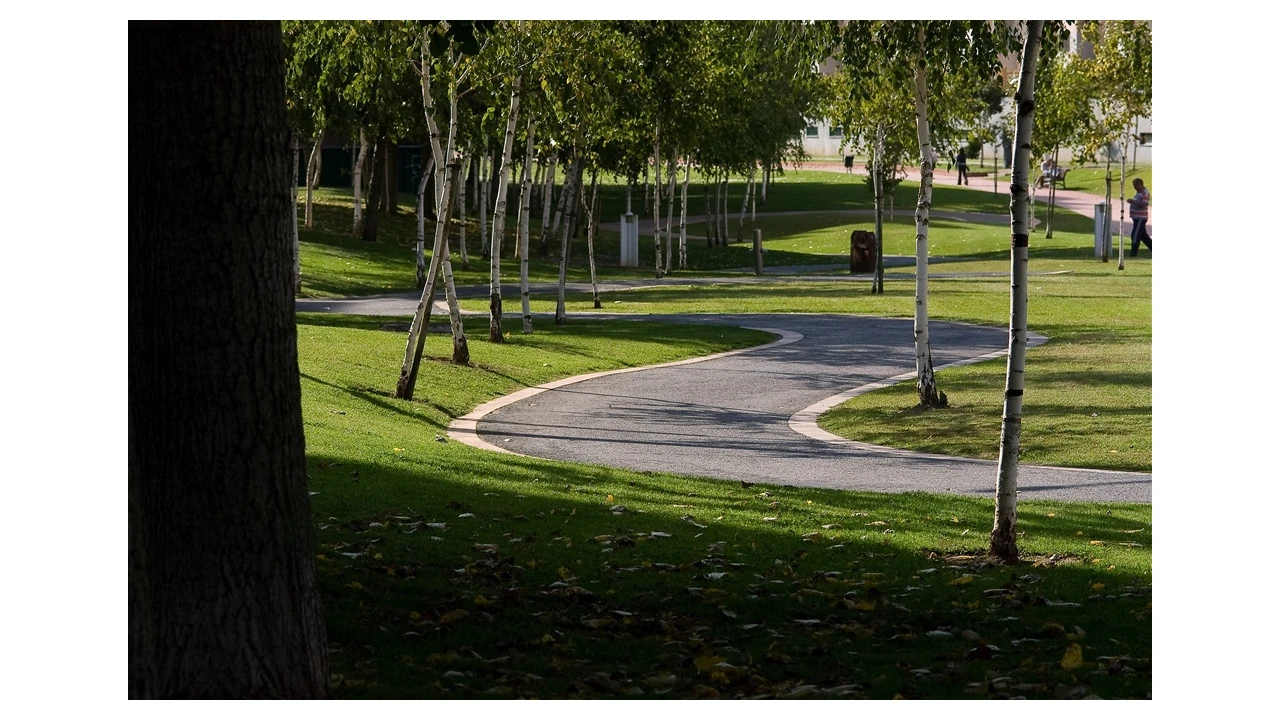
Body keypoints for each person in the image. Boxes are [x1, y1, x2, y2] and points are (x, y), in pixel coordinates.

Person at [1127, 178, 1151, 256]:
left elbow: (1144, 204)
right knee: (1143, 236)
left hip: (1141, 217)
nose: (1134, 187)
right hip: (1136, 217)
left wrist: (1133, 201)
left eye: (1135, 185)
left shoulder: (1144, 193)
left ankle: (1133, 253)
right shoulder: (1139, 193)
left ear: (1140, 184)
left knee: (1135, 235)